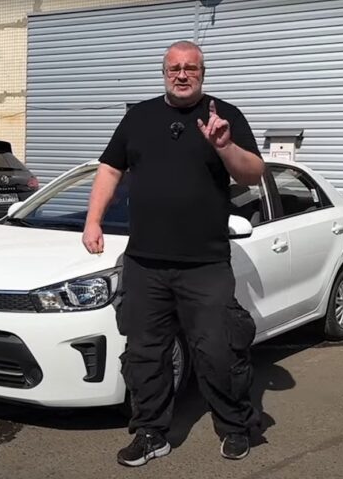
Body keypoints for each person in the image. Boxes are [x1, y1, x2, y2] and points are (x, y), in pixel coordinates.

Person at [82, 40, 265, 467]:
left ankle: (234, 426)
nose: (182, 74)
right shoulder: (138, 117)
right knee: (145, 354)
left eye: (191, 68)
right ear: (164, 73)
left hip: (205, 264)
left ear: (203, 73)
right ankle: (151, 433)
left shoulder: (225, 115)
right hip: (145, 262)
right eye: (174, 68)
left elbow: (253, 174)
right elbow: (110, 168)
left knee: (219, 351)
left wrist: (224, 145)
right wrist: (93, 220)